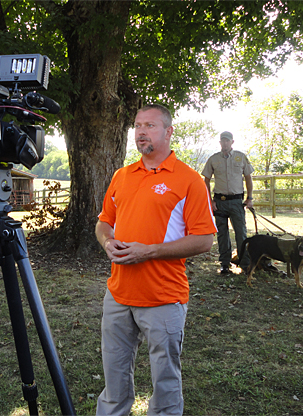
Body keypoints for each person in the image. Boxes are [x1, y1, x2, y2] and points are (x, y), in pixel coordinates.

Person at [95, 104, 217, 416]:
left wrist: (148, 251)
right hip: (118, 294)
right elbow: (103, 222)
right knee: (114, 376)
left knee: (165, 380)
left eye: (149, 125)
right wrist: (107, 241)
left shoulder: (189, 180)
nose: (141, 132)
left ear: (168, 131)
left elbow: (204, 239)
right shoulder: (122, 175)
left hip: (163, 296)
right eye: (137, 126)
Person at [202, 131, 254, 274]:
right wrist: (210, 201)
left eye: (227, 141)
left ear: (232, 142)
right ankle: (224, 263)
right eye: (222, 141)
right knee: (222, 234)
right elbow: (205, 180)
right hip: (220, 202)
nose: (225, 143)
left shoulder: (240, 157)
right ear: (220, 143)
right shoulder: (213, 159)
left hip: (237, 201)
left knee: (241, 233)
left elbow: (248, 178)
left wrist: (249, 198)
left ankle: (245, 263)